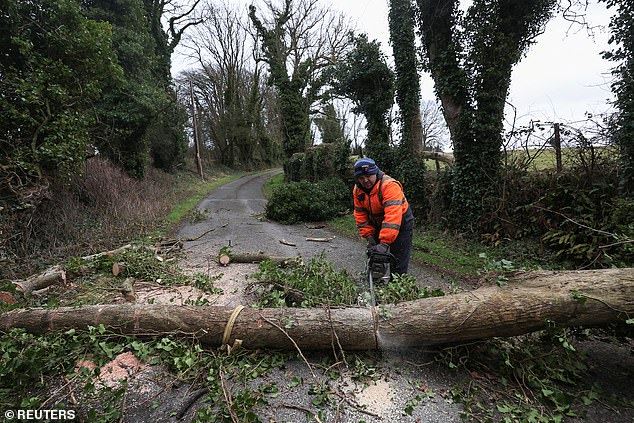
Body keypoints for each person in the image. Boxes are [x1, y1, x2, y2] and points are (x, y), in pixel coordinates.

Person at [352, 157, 414, 275]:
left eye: (368, 176)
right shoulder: (357, 191)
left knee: (398, 260)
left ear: (375, 173)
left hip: (400, 222)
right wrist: (369, 236)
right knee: (375, 258)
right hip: (377, 221)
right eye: (361, 178)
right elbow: (360, 215)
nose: (365, 181)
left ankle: (397, 285)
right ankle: (376, 280)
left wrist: (384, 243)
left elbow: (392, 218)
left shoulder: (389, 186)